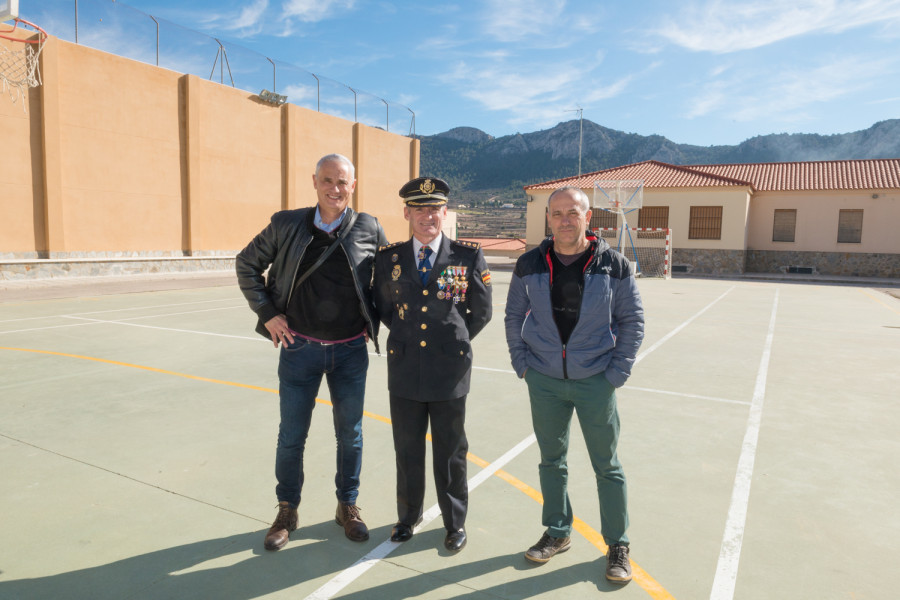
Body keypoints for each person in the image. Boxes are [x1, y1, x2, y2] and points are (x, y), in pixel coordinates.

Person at [236, 153, 387, 551]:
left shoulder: (370, 227)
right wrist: (267, 313)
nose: (335, 189)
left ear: (353, 185)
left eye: (342, 182)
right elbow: (247, 263)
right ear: (314, 182)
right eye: (327, 181)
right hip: (299, 348)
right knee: (291, 436)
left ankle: (347, 506)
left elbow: (390, 283)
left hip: (350, 351)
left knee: (350, 435)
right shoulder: (286, 224)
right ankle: (287, 509)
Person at [504, 186, 644, 583]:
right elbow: (514, 315)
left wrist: (616, 373)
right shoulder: (529, 263)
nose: (565, 219)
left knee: (607, 466)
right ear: (548, 218)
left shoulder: (613, 264)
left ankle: (618, 543)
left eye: (573, 212)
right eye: (558, 213)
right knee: (552, 461)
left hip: (596, 380)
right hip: (544, 380)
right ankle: (558, 531)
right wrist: (523, 363)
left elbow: (633, 321)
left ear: (588, 217)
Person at [373, 177, 492, 553]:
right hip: (406, 369)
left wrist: (449, 343)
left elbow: (481, 312)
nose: (428, 216)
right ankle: (407, 518)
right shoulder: (388, 258)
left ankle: (454, 523)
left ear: (445, 212)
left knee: (451, 451)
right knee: (407, 449)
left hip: (449, 373)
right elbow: (385, 309)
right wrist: (412, 339)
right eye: (420, 209)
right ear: (407, 213)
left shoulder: (467, 256)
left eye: (435, 208)